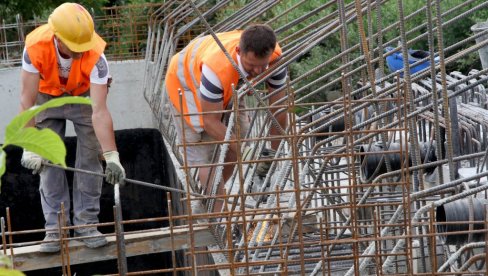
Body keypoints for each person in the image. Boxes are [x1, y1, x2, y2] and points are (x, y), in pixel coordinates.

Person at [19, 3, 125, 253]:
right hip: (46, 97)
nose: (80, 52)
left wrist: (111, 155)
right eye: (74, 47)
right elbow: (26, 100)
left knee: (90, 158)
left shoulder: (97, 57)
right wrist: (29, 145)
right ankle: (55, 229)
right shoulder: (34, 48)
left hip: (83, 97)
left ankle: (87, 225)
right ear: (57, 37)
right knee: (48, 161)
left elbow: (99, 111)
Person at [165, 24, 288, 212]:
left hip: (229, 86)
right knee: (204, 153)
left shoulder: (275, 59)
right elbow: (210, 122)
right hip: (185, 83)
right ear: (239, 51)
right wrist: (247, 153)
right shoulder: (215, 70)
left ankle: (215, 195)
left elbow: (278, 110)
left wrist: (272, 155)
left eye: (262, 65)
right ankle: (217, 219)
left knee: (239, 136)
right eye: (251, 66)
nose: (258, 72)